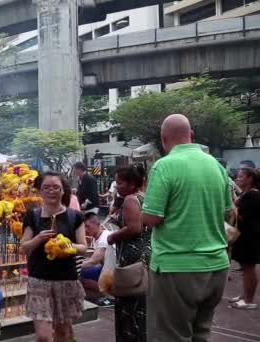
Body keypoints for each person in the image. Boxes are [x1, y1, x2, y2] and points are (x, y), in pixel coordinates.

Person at [143, 114, 232, 342]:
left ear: (164, 139)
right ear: (191, 135)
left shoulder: (164, 166)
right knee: (201, 333)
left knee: (170, 335)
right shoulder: (216, 166)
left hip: (176, 267)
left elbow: (151, 218)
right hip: (217, 266)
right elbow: (227, 212)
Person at [20, 171, 87, 342]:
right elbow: (24, 248)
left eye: (56, 187)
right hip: (39, 282)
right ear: (40, 191)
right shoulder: (32, 216)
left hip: (66, 281)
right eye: (46, 187)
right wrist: (38, 238)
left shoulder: (75, 216)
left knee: (63, 334)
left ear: (63, 190)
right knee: (43, 336)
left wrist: (68, 248)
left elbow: (83, 247)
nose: (51, 191)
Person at [106, 165, 150, 342]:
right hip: (145, 254)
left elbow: (134, 228)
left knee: (128, 303)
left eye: (120, 182)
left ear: (132, 184)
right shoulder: (143, 197)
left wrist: (113, 237)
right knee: (141, 303)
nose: (117, 186)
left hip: (131, 257)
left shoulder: (131, 200)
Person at [229, 167, 260, 310]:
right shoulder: (246, 194)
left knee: (249, 267)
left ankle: (248, 300)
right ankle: (244, 295)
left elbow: (241, 214)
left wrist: (234, 210)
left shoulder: (253, 195)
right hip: (244, 235)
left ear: (250, 179)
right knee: (245, 267)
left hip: (250, 236)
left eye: (241, 176)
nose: (238, 178)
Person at [80, 212, 111, 294]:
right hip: (104, 268)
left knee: (80, 274)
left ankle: (105, 292)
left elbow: (93, 262)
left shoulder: (104, 238)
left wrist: (74, 266)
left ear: (97, 224)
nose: (85, 230)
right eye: (84, 227)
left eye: (87, 226)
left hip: (111, 273)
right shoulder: (96, 237)